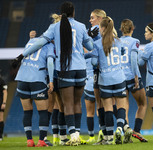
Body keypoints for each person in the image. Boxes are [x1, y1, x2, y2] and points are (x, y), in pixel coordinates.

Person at [12, 1, 93, 146]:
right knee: (76, 103)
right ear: (73, 12)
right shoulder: (81, 26)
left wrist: (21, 56)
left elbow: (39, 43)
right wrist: (90, 36)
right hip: (81, 68)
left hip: (64, 69)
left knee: (65, 104)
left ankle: (72, 135)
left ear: (61, 13)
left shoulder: (54, 27)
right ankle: (77, 135)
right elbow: (90, 46)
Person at [86, 16, 128, 145]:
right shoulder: (119, 41)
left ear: (102, 28)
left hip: (105, 79)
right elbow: (123, 52)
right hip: (119, 77)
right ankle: (120, 128)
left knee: (108, 108)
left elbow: (93, 62)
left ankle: (109, 138)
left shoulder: (97, 44)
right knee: (121, 106)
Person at [15, 35, 55, 147]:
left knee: (27, 112)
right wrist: (51, 80)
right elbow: (50, 62)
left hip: (22, 78)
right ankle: (41, 141)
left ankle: (29, 140)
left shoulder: (31, 41)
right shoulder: (50, 45)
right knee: (43, 111)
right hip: (37, 79)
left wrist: (30, 37)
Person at [119, 19, 148, 143]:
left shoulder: (116, 41)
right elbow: (133, 59)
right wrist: (136, 76)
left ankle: (127, 131)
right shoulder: (135, 41)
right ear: (132, 29)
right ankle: (136, 130)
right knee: (142, 104)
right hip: (131, 76)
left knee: (124, 106)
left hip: (119, 77)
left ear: (121, 29)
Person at [84, 9, 106, 144]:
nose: (90, 20)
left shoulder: (96, 33)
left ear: (99, 18)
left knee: (96, 108)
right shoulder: (109, 32)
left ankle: (97, 135)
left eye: (92, 18)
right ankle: (102, 133)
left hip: (95, 73)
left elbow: (87, 50)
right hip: (95, 73)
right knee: (100, 107)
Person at [0, 74, 7, 141]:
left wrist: (4, 102)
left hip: (0, 102)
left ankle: (0, 136)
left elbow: (5, 92)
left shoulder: (1, 81)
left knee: (1, 118)